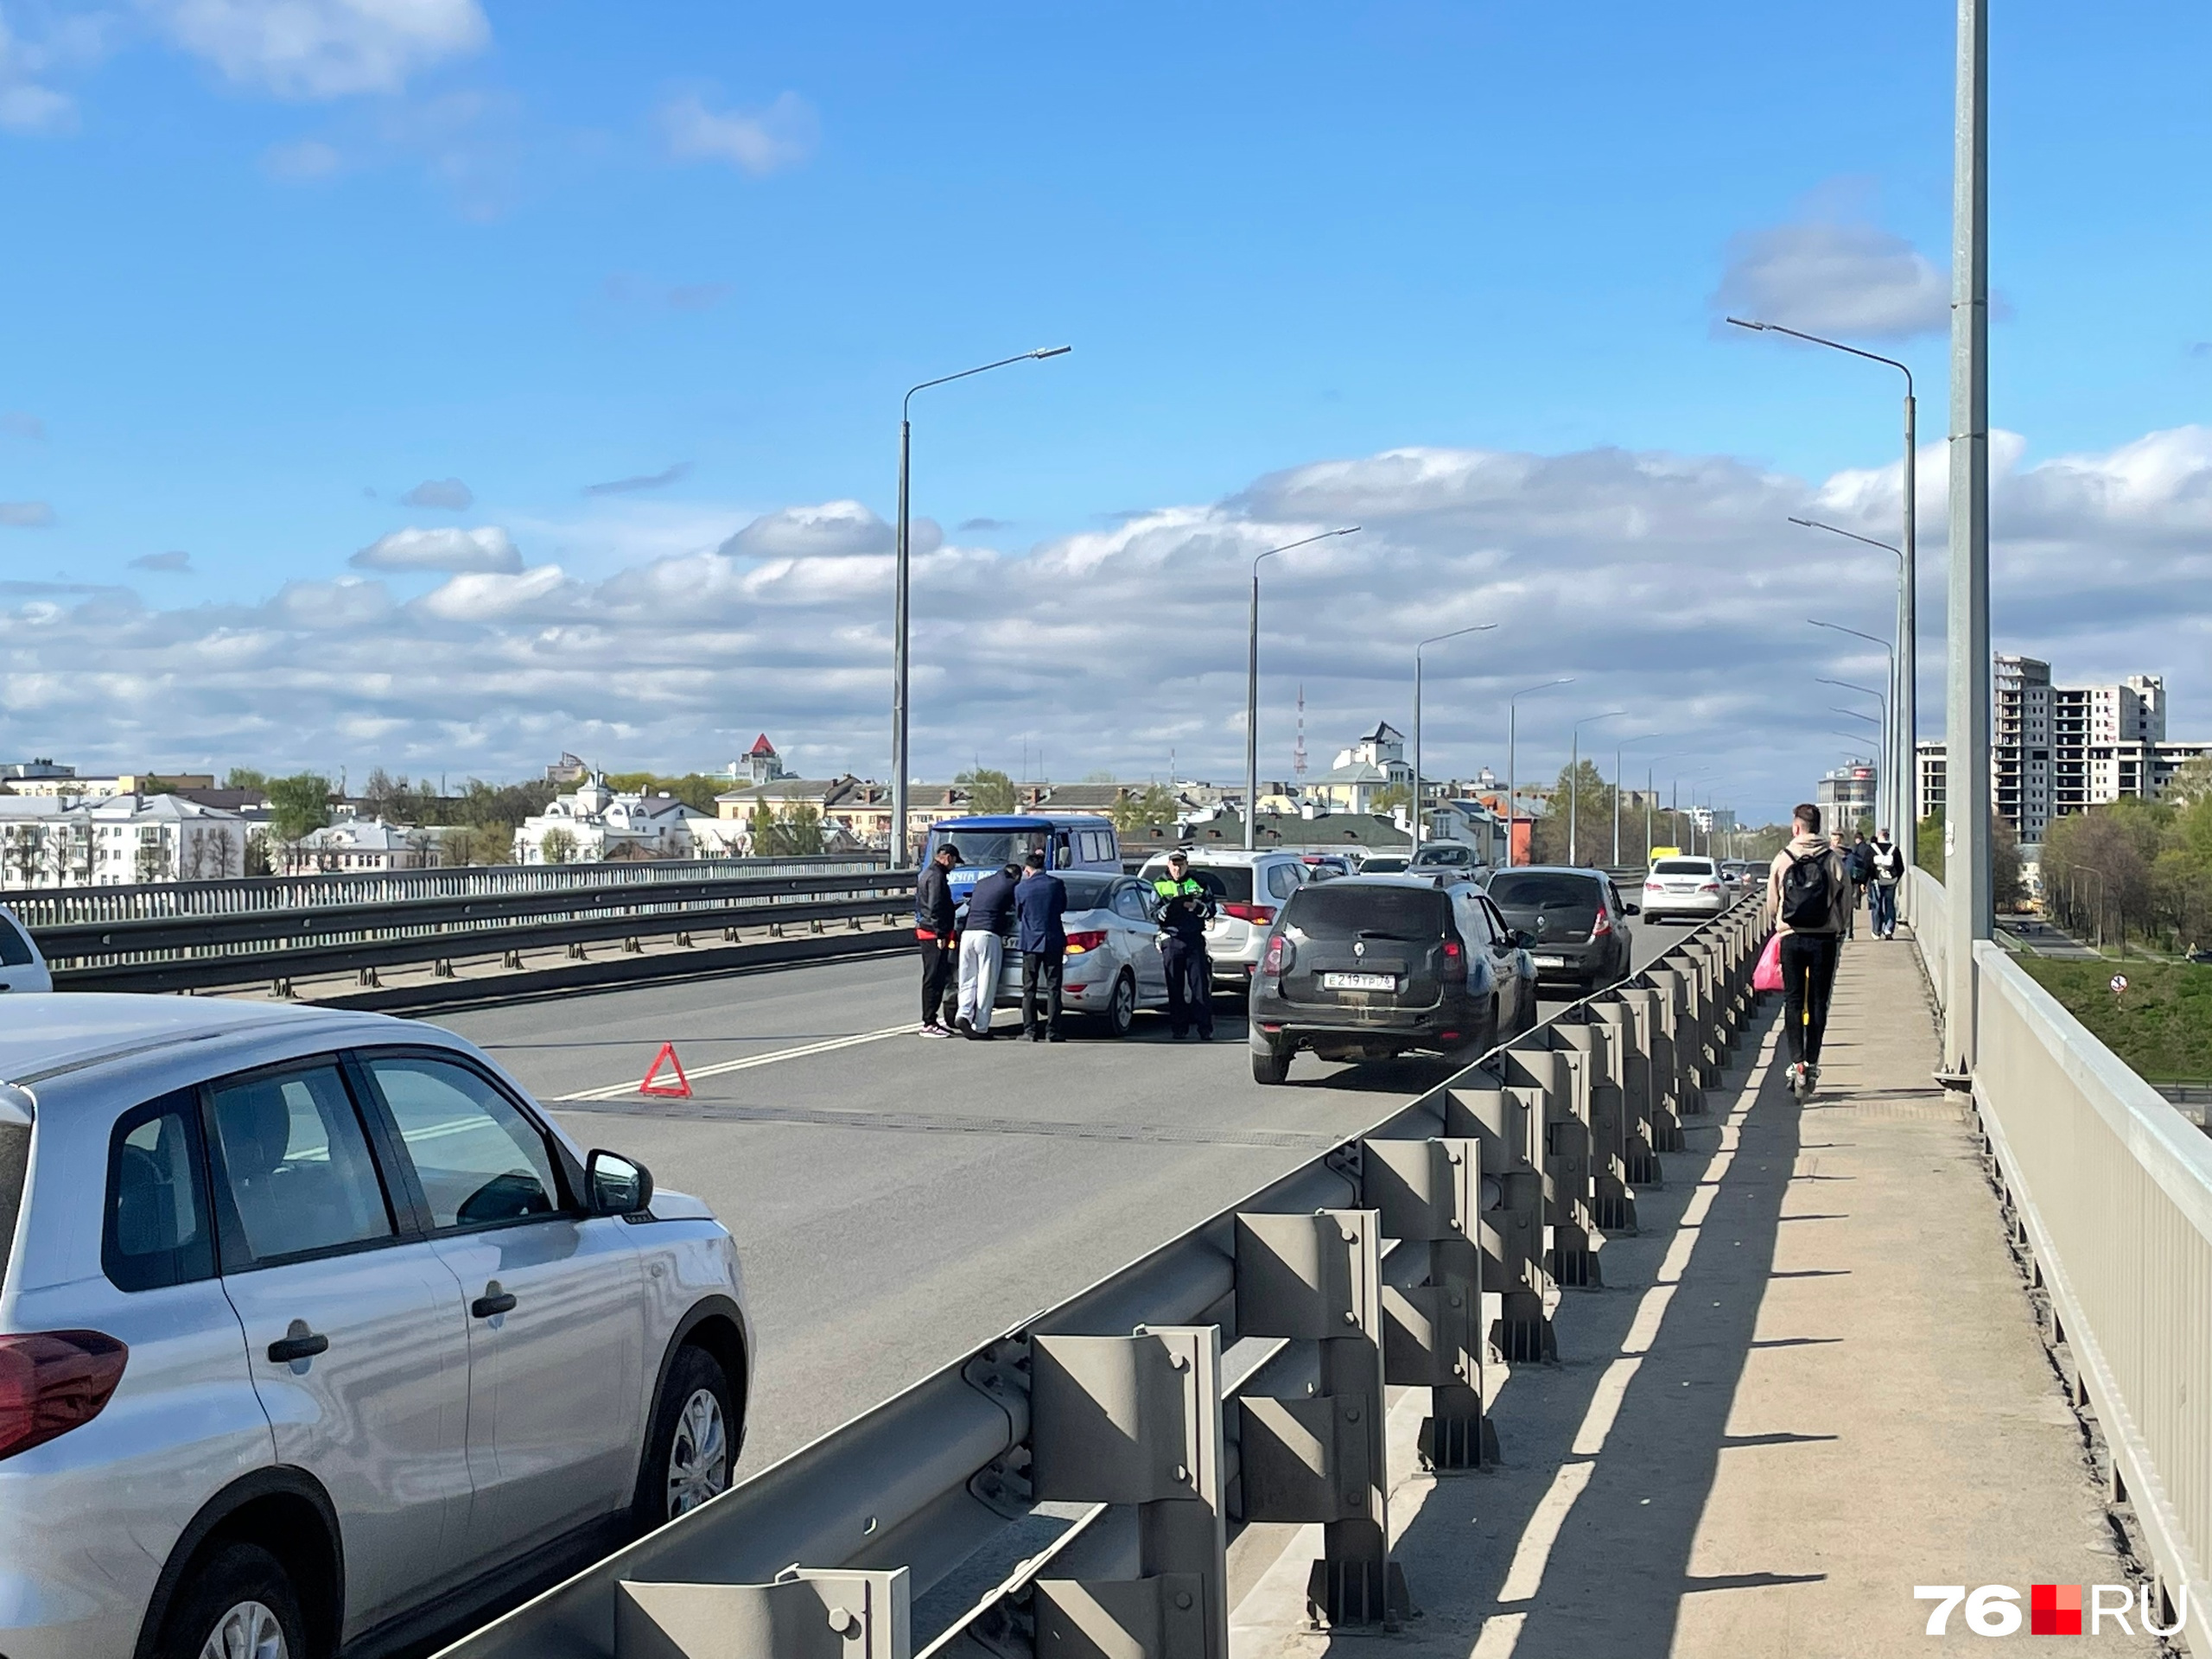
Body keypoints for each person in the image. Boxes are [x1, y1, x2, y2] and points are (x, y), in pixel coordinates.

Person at [1768, 803, 1847, 1096]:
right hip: (1824, 939)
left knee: (1792, 1001)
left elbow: (1773, 902)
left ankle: (1797, 1062)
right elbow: (1845, 899)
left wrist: (1781, 923)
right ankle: (1812, 1062)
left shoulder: (1783, 858)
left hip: (1791, 938)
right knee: (1817, 1002)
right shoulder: (1833, 859)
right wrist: (1840, 928)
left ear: (1797, 827)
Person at [1152, 849, 1216, 1040]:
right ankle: (1179, 1028)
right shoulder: (1159, 884)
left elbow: (1211, 909)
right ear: (1168, 865)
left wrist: (1197, 907)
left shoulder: (1199, 883)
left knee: (1200, 987)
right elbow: (1152, 912)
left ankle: (1205, 1029)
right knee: (1175, 986)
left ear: (1186, 864)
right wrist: (1167, 910)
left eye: (1180, 864)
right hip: (1171, 940)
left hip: (1194, 939)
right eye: (1174, 864)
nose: (1177, 868)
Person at [957, 860, 1021, 1039]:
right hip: (988, 934)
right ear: (1016, 876)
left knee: (967, 978)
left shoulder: (982, 883)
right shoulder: (1011, 885)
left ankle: (963, 1014)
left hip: (968, 933)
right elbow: (1018, 908)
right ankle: (981, 1027)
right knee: (986, 980)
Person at [1014, 850, 1070, 1041]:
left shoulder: (1022, 888)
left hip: (1030, 942)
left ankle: (1029, 1030)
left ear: (1027, 870)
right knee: (1054, 988)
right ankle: (1052, 1031)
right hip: (1053, 940)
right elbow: (1062, 908)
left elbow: (1019, 914)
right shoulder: (1056, 884)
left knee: (1029, 988)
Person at [915, 842, 961, 1039]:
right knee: (934, 977)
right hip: (934, 934)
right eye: (954, 862)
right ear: (947, 857)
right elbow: (934, 906)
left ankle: (931, 1020)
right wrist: (941, 934)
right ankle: (929, 1022)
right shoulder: (936, 877)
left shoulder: (928, 873)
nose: (954, 867)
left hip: (928, 931)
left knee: (934, 976)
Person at [1866, 827, 1904, 939]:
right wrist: (1896, 879)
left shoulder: (1872, 849)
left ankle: (1876, 931)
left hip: (1877, 880)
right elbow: (1900, 867)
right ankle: (1888, 930)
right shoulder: (1894, 849)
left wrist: (1866, 881)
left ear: (1879, 836)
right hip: (1891, 881)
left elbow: (1867, 866)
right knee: (1890, 904)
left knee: (1877, 905)